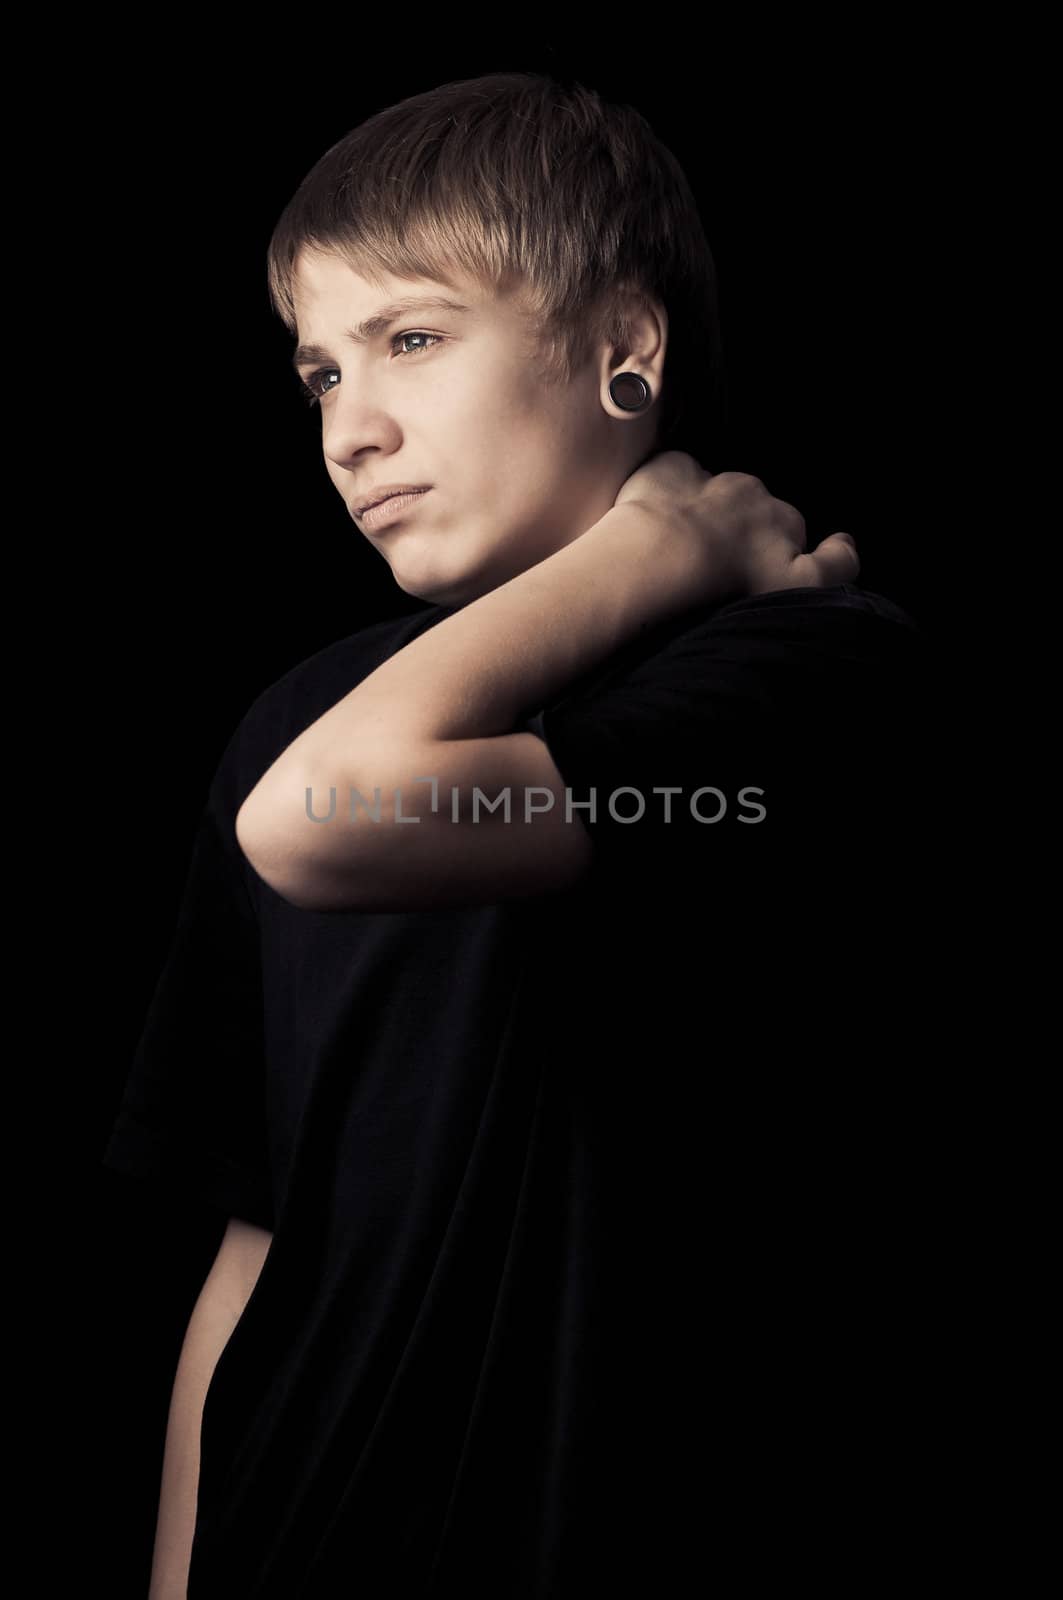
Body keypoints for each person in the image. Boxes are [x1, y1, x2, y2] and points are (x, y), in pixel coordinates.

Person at [104, 72, 933, 1597]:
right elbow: (253, 1234)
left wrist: (653, 558)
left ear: (625, 350)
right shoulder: (310, 708)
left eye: (411, 339)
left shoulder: (799, 666)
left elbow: (319, 824)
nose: (354, 429)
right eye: (318, 375)